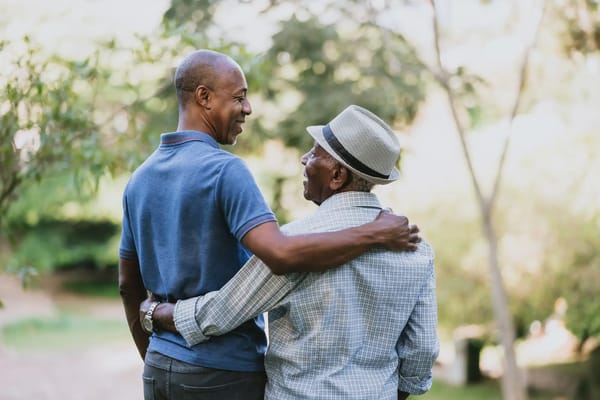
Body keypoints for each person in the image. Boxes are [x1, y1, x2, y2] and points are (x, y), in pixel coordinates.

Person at [118, 50, 420, 400]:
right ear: (204, 97)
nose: (247, 108)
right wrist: (374, 233)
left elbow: (128, 285)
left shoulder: (139, 180)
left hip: (160, 366)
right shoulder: (225, 171)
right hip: (224, 373)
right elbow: (279, 253)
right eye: (239, 97)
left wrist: (155, 355)